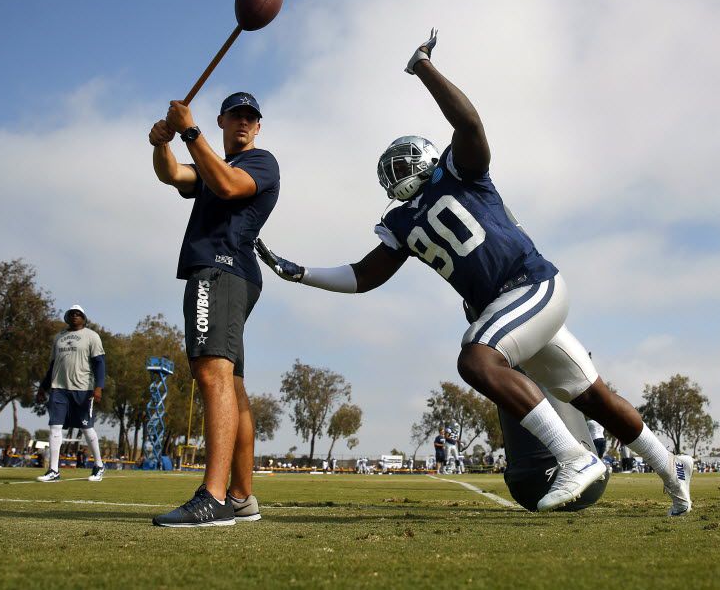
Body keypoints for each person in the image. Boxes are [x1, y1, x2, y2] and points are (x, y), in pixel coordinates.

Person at [256, 30, 692, 515]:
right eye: (389, 169)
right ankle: (673, 468)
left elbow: (468, 123)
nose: (395, 173)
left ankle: (574, 456)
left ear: (426, 156)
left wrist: (423, 66)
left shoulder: (460, 172)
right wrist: (300, 273)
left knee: (476, 359)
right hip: (513, 307)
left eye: (402, 162)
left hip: (530, 284)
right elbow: (364, 275)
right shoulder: (400, 222)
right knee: (594, 398)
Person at [148, 92, 279, 527]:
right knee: (232, 383)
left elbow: (227, 186)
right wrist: (161, 142)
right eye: (236, 116)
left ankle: (214, 497)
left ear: (258, 127)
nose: (244, 122)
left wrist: (189, 130)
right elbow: (172, 176)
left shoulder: (260, 163)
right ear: (223, 121)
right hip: (229, 276)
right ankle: (241, 497)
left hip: (222, 271)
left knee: (211, 372)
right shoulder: (208, 165)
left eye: (251, 118)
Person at [35, 305, 107, 483]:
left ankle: (98, 465)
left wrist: (99, 387)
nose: (75, 316)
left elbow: (99, 363)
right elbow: (52, 366)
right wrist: (42, 388)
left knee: (86, 427)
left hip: (83, 389)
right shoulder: (58, 338)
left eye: (78, 314)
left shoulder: (92, 336)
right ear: (67, 317)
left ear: (84, 317)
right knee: (55, 427)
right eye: (72, 314)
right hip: (59, 388)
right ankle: (53, 470)